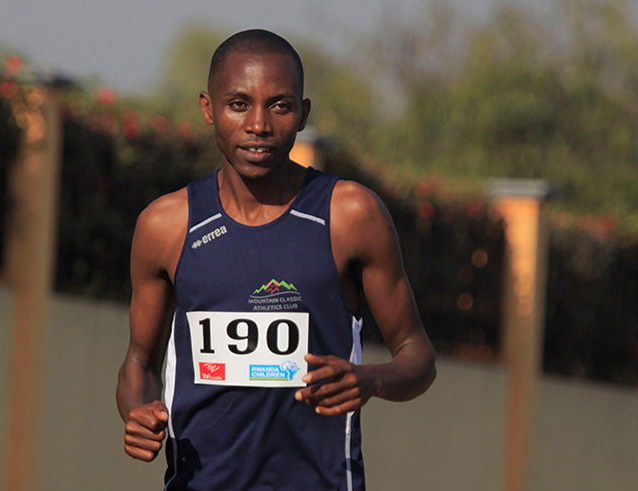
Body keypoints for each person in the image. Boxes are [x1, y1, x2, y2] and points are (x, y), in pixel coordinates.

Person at [116, 29, 436, 490]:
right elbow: (138, 364)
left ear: (303, 114)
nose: (259, 125)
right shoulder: (166, 226)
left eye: (280, 106)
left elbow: (418, 355)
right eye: (239, 104)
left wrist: (372, 380)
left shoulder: (349, 215)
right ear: (208, 107)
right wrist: (137, 413)